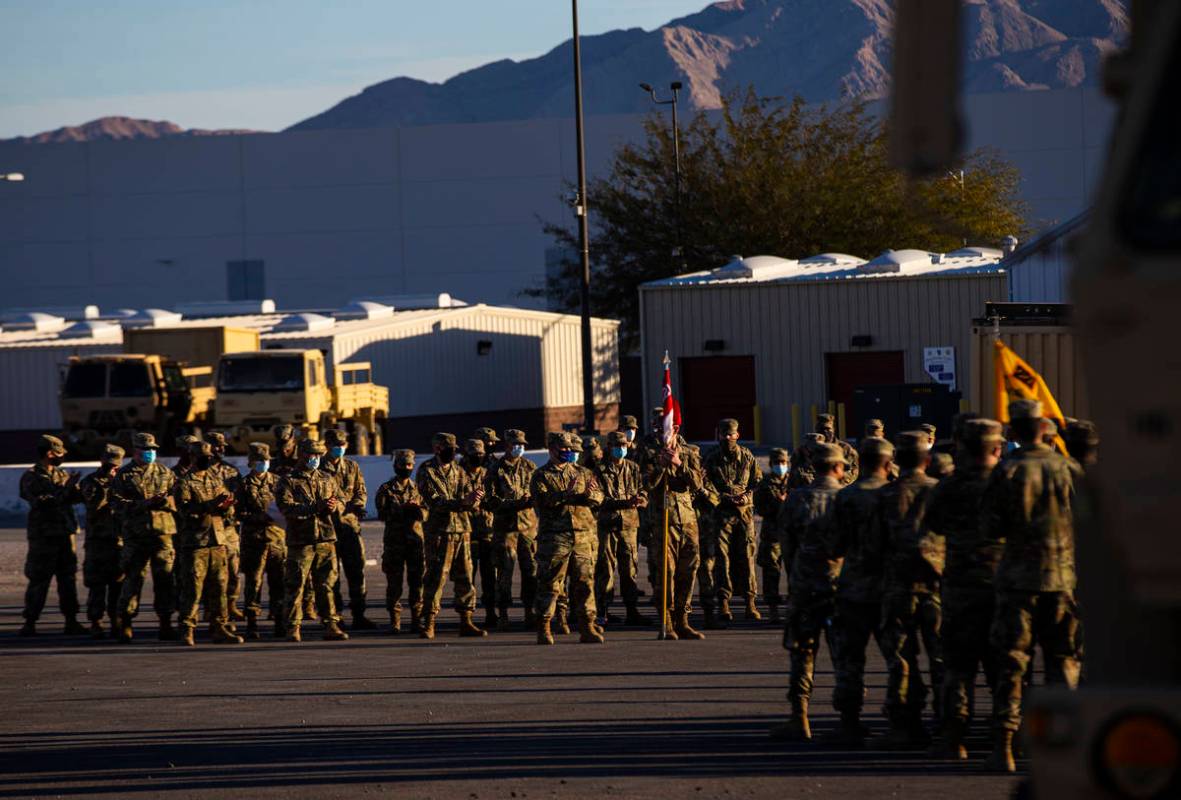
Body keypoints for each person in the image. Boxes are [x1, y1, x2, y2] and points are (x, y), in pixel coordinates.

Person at [982, 399, 1081, 773]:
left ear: (1015, 431)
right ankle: (1065, 746)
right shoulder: (1068, 468)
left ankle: (1006, 746)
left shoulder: (1007, 470)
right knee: (1062, 664)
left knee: (1013, 665)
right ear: (1043, 428)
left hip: (1018, 580)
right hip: (1061, 579)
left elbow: (990, 527)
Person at [925, 419, 1005, 759]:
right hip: (1006, 586)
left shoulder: (947, 487)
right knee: (1006, 667)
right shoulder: (1011, 483)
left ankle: (955, 737)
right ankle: (1005, 741)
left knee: (959, 667)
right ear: (997, 449)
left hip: (960, 587)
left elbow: (934, 526)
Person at [771, 442, 847, 741]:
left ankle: (799, 717)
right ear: (839, 468)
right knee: (845, 655)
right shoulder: (848, 498)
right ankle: (849, 720)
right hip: (840, 587)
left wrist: (796, 574)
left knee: (802, 652)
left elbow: (786, 546)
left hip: (805, 586)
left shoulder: (797, 499)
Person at [876, 431, 943, 749]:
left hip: (897, 587)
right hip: (937, 588)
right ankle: (950, 727)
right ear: (927, 460)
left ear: (895, 462)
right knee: (942, 659)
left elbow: (869, 546)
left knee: (902, 660)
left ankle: (905, 726)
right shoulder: (942, 493)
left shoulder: (885, 495)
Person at [827, 437, 894, 745]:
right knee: (897, 658)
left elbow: (835, 545)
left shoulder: (846, 496)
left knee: (851, 659)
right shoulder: (895, 495)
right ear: (888, 463)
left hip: (854, 587)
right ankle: (900, 721)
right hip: (890, 587)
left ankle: (850, 722)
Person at [531, 432, 604, 644]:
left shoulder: (583, 473)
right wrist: (565, 494)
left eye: (570, 449)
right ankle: (544, 626)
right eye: (563, 449)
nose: (567, 453)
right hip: (555, 539)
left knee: (584, 583)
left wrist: (589, 495)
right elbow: (542, 502)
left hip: (583, 536)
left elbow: (599, 497)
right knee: (551, 584)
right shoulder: (541, 475)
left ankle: (587, 626)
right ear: (551, 449)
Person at [275, 438, 350, 642]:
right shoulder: (288, 480)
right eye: (311, 455)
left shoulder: (327, 478)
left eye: (318, 456)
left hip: (325, 538)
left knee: (326, 584)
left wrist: (335, 507)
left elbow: (342, 499)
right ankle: (292, 626)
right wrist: (315, 507)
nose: (315, 459)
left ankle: (331, 624)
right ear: (302, 455)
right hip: (301, 540)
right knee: (296, 584)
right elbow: (286, 507)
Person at [416, 432, 486, 639]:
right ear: (437, 449)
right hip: (440, 532)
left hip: (462, 530)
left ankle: (466, 620)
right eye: (448, 449)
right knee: (435, 578)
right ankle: (428, 621)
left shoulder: (459, 471)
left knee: (465, 577)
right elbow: (435, 502)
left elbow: (468, 494)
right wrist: (463, 502)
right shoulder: (427, 471)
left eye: (454, 450)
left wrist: (474, 500)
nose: (452, 454)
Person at [174, 440, 243, 646]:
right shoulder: (184, 482)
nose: (207, 462)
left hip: (217, 539)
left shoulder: (214, 479)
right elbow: (184, 511)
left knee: (219, 587)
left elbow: (225, 507)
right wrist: (211, 505)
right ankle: (187, 627)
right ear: (193, 458)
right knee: (193, 587)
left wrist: (226, 506)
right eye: (203, 458)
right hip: (196, 543)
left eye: (209, 458)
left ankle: (218, 626)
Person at [641, 419, 705, 641]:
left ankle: (683, 620)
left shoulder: (689, 452)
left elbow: (698, 484)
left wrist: (679, 463)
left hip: (687, 522)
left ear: (675, 429)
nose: (661, 433)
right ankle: (666, 622)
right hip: (662, 522)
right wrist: (661, 465)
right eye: (658, 429)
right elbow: (646, 485)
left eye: (665, 428)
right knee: (665, 572)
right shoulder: (649, 453)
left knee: (688, 571)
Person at [112, 432, 178, 643]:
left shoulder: (165, 473)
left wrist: (165, 502)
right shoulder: (123, 475)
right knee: (133, 579)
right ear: (135, 451)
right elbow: (115, 504)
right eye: (146, 449)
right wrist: (143, 504)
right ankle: (126, 622)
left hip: (162, 534)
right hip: (136, 535)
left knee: (165, 580)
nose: (150, 453)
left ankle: (165, 623)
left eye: (152, 449)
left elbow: (179, 498)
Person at [19, 434, 85, 637]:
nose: (61, 457)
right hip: (44, 536)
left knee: (68, 578)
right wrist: (65, 490)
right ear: (49, 453)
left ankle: (71, 620)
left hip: (65, 534)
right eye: (58, 454)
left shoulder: (62, 474)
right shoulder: (31, 476)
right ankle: (30, 621)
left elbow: (72, 499)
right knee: (39, 579)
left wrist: (75, 489)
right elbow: (41, 501)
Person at [701, 418, 762, 628]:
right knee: (722, 559)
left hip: (744, 516)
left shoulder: (747, 456)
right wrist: (722, 498)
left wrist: (748, 497)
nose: (728, 438)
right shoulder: (711, 458)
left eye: (731, 434)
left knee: (746, 557)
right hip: (720, 516)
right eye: (724, 434)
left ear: (737, 435)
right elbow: (705, 485)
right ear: (718, 435)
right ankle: (724, 603)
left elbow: (757, 481)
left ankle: (750, 603)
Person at [484, 428, 539, 631]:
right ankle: (503, 614)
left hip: (527, 527)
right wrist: (513, 504)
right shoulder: (495, 468)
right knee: (504, 572)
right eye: (516, 444)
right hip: (505, 528)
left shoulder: (530, 467)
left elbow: (537, 493)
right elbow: (489, 500)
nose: (519, 448)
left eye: (522, 445)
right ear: (507, 445)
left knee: (530, 570)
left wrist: (530, 501)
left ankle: (529, 612)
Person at [318, 428, 372, 630]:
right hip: (327, 529)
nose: (339, 449)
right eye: (335, 445)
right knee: (331, 576)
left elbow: (361, 490)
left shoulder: (351, 466)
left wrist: (358, 504)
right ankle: (336, 616)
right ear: (327, 446)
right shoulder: (318, 469)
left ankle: (359, 615)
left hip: (349, 527)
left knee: (356, 572)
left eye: (342, 445)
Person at [593, 430, 649, 627]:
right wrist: (625, 503)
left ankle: (632, 610)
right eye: (617, 446)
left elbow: (642, 489)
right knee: (605, 570)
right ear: (609, 448)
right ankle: (603, 612)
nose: (621, 449)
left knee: (630, 570)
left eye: (624, 446)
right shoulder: (599, 470)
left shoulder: (633, 468)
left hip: (629, 526)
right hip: (607, 526)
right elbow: (598, 499)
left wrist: (642, 498)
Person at [236, 442, 287, 640]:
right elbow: (238, 513)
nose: (263, 464)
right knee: (253, 584)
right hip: (253, 541)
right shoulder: (243, 484)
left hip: (276, 540)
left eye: (266, 461)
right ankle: (252, 622)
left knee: (278, 583)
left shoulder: (278, 481)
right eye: (259, 461)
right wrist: (260, 518)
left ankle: (279, 621)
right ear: (251, 463)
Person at [375, 449, 427, 634]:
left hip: (415, 543)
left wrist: (418, 510)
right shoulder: (386, 489)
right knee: (394, 584)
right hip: (394, 543)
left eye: (409, 465)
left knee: (417, 583)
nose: (405, 468)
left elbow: (428, 512)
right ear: (395, 466)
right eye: (402, 464)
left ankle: (416, 619)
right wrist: (401, 509)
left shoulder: (419, 488)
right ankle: (395, 621)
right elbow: (381, 514)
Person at [79, 444, 126, 639]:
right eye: (109, 463)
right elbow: (94, 506)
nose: (112, 467)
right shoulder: (90, 482)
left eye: (115, 464)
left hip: (119, 540)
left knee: (118, 584)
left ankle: (117, 620)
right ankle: (96, 621)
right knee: (97, 584)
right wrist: (108, 486)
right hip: (98, 540)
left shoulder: (124, 480)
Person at [203, 431, 244, 622]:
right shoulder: (199, 471)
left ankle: (231, 604)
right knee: (211, 572)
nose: (220, 450)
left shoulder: (231, 471)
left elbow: (240, 497)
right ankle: (211, 608)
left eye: (222, 447)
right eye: (216, 446)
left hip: (228, 527)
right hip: (207, 526)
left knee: (233, 570)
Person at [463, 437, 498, 629]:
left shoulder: (488, 474)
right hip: (467, 533)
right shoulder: (459, 475)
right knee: (468, 577)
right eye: (474, 454)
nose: (478, 457)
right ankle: (467, 616)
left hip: (487, 532)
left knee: (489, 577)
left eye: (480, 454)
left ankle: (491, 612)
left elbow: (495, 498)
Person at [753, 448, 790, 624]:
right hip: (772, 533)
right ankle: (773, 608)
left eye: (783, 463)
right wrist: (779, 504)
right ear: (771, 464)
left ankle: (793, 607)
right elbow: (760, 509)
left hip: (791, 533)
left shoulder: (793, 482)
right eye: (777, 463)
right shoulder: (765, 484)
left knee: (794, 571)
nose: (780, 466)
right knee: (771, 571)